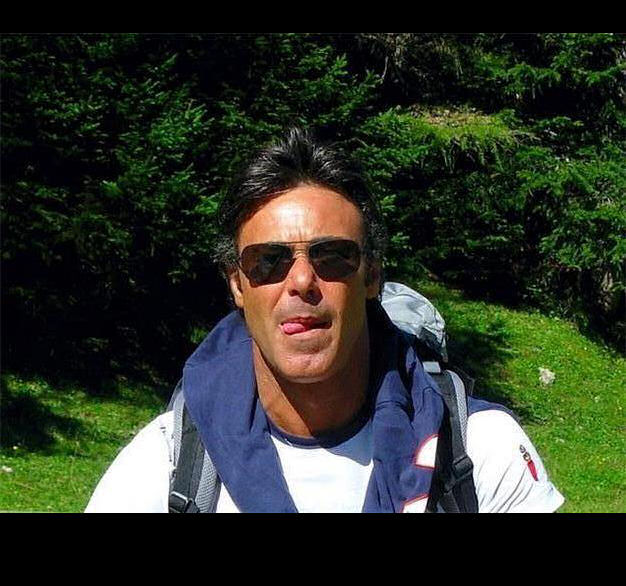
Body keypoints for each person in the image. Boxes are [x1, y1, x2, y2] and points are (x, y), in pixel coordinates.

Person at [85, 128, 564, 513]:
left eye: (332, 256)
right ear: (237, 285)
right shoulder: (165, 466)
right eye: (268, 261)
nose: (301, 281)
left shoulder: (480, 450)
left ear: (371, 276)